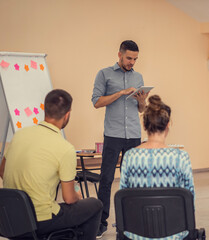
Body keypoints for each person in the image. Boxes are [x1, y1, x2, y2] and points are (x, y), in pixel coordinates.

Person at [0, 89, 103, 240]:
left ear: (44, 108)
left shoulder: (19, 135)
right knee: (94, 205)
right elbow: (69, 198)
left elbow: (2, 171)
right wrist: (77, 195)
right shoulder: (65, 148)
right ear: (67, 114)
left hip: (9, 216)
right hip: (40, 220)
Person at [92, 40, 149, 238]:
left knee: (132, 180)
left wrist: (142, 102)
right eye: (129, 58)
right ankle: (100, 223)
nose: (132, 62)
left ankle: (129, 221)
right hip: (113, 135)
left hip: (133, 135)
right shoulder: (104, 74)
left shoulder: (139, 76)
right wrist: (121, 93)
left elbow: (141, 110)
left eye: (135, 59)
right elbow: (97, 102)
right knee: (106, 179)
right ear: (119, 55)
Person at [119, 95, 195, 240]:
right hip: (174, 233)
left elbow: (123, 199)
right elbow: (190, 202)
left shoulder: (129, 156)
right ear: (167, 125)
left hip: (135, 234)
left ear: (144, 126)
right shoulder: (181, 157)